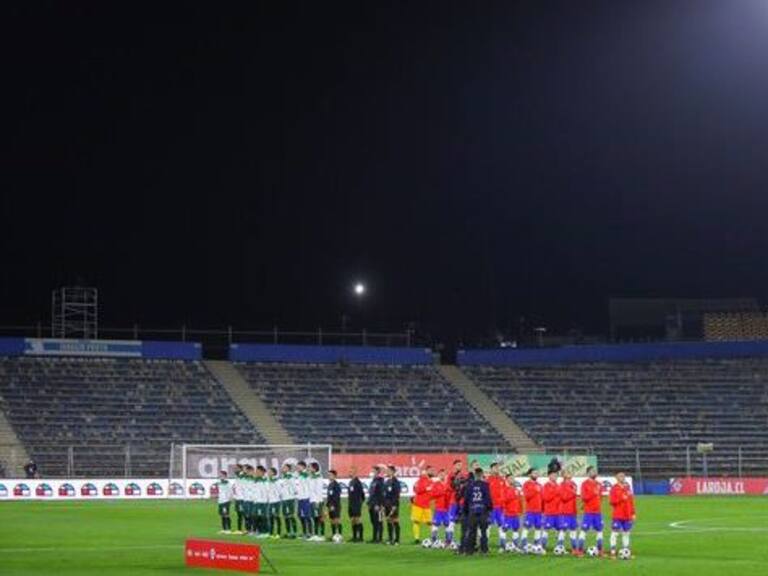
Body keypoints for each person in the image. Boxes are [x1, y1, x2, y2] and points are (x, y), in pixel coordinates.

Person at [460, 467, 492, 555]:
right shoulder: (485, 485)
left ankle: (469, 551)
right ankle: (484, 550)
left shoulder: (470, 485)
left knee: (471, 532)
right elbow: (488, 498)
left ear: (474, 475)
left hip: (472, 511)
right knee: (483, 532)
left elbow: (466, 499)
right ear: (482, 475)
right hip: (482, 511)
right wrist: (489, 509)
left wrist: (465, 511)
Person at [577, 465, 604, 556]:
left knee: (599, 530)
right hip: (588, 512)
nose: (594, 473)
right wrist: (593, 493)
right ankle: (580, 550)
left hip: (598, 512)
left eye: (595, 471)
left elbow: (600, 497)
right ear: (588, 473)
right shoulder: (585, 484)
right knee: (584, 530)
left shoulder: (599, 484)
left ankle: (600, 550)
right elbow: (584, 497)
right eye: (592, 471)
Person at [609, 472, 636, 559]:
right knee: (615, 533)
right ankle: (613, 552)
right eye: (620, 476)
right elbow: (612, 502)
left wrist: (633, 513)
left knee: (626, 533)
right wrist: (621, 498)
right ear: (616, 478)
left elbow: (631, 501)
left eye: (623, 476)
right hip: (618, 515)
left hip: (627, 515)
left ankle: (626, 551)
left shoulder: (627, 488)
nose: (622, 477)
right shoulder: (614, 488)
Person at [521, 468, 543, 552]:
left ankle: (536, 545)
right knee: (526, 527)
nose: (536, 474)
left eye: (537, 473)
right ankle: (523, 545)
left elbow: (542, 498)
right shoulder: (526, 484)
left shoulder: (540, 485)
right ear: (529, 474)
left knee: (538, 528)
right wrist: (534, 490)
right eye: (534, 473)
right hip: (530, 510)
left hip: (539, 511)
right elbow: (526, 496)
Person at [430, 469, 454, 546]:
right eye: (441, 474)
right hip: (438, 508)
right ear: (438, 475)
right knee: (436, 524)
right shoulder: (436, 484)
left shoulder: (448, 485)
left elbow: (451, 494)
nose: (442, 475)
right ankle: (433, 539)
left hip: (447, 509)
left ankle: (448, 540)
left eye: (443, 474)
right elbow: (432, 494)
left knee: (447, 524)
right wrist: (442, 492)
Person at [411, 466, 435, 543]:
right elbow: (417, 490)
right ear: (426, 471)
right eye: (430, 470)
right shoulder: (421, 479)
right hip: (418, 504)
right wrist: (426, 489)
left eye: (432, 470)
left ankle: (434, 537)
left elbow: (432, 493)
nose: (432, 472)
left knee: (430, 522)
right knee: (416, 521)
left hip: (427, 505)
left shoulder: (431, 482)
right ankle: (416, 539)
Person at [486, 462, 506, 551]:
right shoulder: (487, 480)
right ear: (491, 469)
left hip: (500, 507)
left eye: (498, 467)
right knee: (488, 526)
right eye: (495, 468)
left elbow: (505, 492)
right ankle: (485, 544)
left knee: (501, 525)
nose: (497, 469)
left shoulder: (502, 479)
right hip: (490, 507)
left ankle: (502, 545)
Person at [501, 474, 523, 552]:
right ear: (506, 479)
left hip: (515, 513)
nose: (512, 480)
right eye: (510, 478)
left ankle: (516, 546)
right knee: (504, 529)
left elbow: (519, 500)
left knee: (515, 529)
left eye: (513, 478)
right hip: (507, 513)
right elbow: (503, 500)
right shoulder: (504, 489)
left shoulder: (516, 489)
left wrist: (520, 511)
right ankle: (503, 547)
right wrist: (511, 493)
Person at [558, 470, 579, 552]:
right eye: (567, 473)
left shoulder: (574, 484)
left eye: (570, 472)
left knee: (573, 530)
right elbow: (564, 498)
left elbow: (573, 495)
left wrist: (572, 493)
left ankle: (574, 548)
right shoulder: (561, 485)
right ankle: (559, 547)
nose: (569, 474)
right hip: (564, 511)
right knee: (563, 530)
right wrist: (573, 493)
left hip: (573, 511)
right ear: (563, 475)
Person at [541, 470, 561, 551]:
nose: (555, 477)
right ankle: (542, 546)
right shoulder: (546, 486)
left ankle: (559, 546)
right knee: (546, 529)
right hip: (549, 512)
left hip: (558, 512)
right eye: (553, 475)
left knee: (559, 529)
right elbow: (545, 498)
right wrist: (554, 492)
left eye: (556, 475)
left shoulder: (558, 485)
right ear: (549, 476)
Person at [279, 462, 298, 539]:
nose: (282, 469)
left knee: (290, 515)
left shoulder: (290, 476)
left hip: (289, 499)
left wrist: (292, 495)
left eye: (284, 467)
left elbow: (294, 488)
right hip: (284, 499)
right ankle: (288, 532)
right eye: (282, 467)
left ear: (288, 469)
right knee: (285, 516)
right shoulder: (283, 477)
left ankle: (294, 532)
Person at [383, 465, 401, 545]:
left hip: (393, 504)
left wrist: (394, 505)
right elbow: (385, 494)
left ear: (393, 472)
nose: (387, 472)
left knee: (395, 521)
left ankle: (397, 540)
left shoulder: (396, 482)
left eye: (388, 470)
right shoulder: (387, 482)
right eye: (387, 470)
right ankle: (390, 539)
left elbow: (397, 494)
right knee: (389, 521)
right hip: (387, 504)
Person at [347, 466, 366, 542]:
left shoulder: (358, 482)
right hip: (351, 504)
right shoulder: (351, 482)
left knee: (357, 520)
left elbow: (362, 494)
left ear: (355, 472)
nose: (349, 473)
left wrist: (360, 503)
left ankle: (360, 537)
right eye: (350, 471)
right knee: (352, 520)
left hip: (356, 504)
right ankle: (354, 537)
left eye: (351, 471)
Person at [367, 465, 385, 543]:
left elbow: (381, 494)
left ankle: (379, 538)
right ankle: (374, 538)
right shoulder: (373, 481)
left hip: (377, 505)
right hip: (372, 504)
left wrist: (380, 505)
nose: (372, 472)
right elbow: (371, 494)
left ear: (377, 472)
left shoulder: (380, 481)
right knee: (373, 521)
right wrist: (369, 503)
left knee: (379, 521)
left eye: (373, 471)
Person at [295, 461, 313, 539]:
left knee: (307, 516)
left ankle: (310, 533)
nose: (297, 468)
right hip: (300, 499)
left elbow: (310, 486)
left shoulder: (307, 475)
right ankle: (304, 532)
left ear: (303, 467)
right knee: (300, 516)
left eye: (298, 466)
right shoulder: (298, 476)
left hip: (306, 498)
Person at [310, 462, 325, 541]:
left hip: (317, 501)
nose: (309, 469)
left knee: (319, 517)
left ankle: (322, 535)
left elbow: (318, 490)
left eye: (311, 467)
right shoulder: (312, 477)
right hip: (312, 500)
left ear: (315, 468)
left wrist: (318, 501)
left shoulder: (318, 477)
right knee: (314, 518)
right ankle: (315, 534)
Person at [326, 469, 343, 540]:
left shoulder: (336, 485)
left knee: (337, 520)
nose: (329, 476)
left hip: (335, 505)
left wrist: (333, 505)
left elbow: (336, 496)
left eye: (330, 475)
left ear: (334, 476)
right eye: (328, 475)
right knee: (332, 520)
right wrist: (328, 505)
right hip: (330, 505)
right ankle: (333, 535)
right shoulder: (330, 485)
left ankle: (339, 535)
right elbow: (329, 496)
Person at [266, 467, 281, 539]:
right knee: (270, 517)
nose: (268, 473)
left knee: (276, 516)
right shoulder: (268, 481)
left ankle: (278, 533)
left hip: (276, 501)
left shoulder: (277, 481)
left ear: (273, 473)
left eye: (269, 472)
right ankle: (271, 533)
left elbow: (279, 491)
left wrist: (277, 498)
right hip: (270, 501)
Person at [233, 464, 246, 534]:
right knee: (239, 514)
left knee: (243, 514)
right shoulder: (237, 477)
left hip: (242, 498)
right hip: (238, 498)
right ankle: (239, 529)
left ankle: (247, 529)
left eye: (236, 468)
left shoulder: (243, 476)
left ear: (240, 469)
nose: (235, 469)